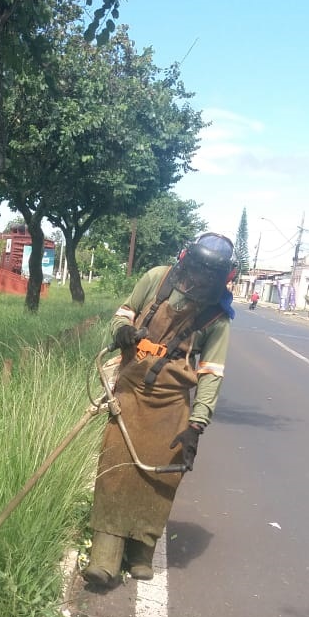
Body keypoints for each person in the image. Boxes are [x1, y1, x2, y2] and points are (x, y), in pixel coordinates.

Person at [83, 232, 236, 586]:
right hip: (130, 391)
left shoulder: (217, 316)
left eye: (207, 276)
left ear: (221, 279)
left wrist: (196, 425)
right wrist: (123, 331)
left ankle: (142, 550)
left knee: (160, 477)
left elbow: (212, 373)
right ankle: (104, 558)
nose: (198, 279)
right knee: (115, 469)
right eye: (195, 269)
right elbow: (123, 313)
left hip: (172, 404)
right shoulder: (157, 279)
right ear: (186, 261)